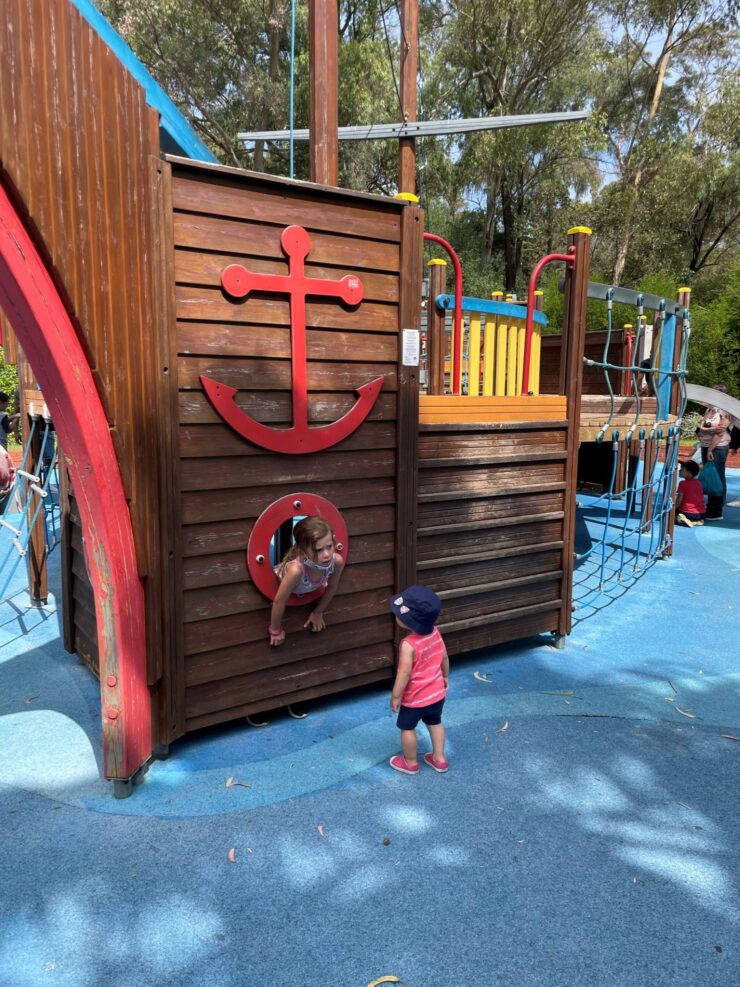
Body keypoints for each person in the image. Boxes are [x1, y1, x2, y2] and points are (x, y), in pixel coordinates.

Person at [388, 585, 450, 775]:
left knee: (407, 728)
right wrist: (445, 676)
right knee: (435, 723)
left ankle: (410, 762)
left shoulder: (409, 645)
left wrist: (396, 696)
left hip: (415, 699)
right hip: (437, 694)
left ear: (408, 621)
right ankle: (439, 759)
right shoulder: (436, 633)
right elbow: (444, 657)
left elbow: (404, 673)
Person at [269, 515, 345, 646]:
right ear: (302, 550)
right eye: (319, 550)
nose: (327, 554)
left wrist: (318, 612)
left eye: (329, 546)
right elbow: (278, 602)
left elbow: (332, 587)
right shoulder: (296, 570)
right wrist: (275, 629)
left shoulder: (336, 562)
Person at [698, 386, 732, 520]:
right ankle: (712, 506)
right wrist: (707, 430)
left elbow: (720, 431)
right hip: (706, 446)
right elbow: (701, 427)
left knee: (717, 477)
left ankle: (716, 510)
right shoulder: (710, 409)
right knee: (711, 476)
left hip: (717, 447)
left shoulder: (725, 411)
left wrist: (711, 449)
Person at [675, 460, 705, 527]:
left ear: (689, 473)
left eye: (682, 470)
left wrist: (673, 509)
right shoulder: (699, 483)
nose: (679, 471)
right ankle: (696, 522)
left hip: (688, 513)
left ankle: (681, 519)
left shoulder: (683, 484)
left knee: (670, 516)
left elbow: (679, 500)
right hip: (701, 514)